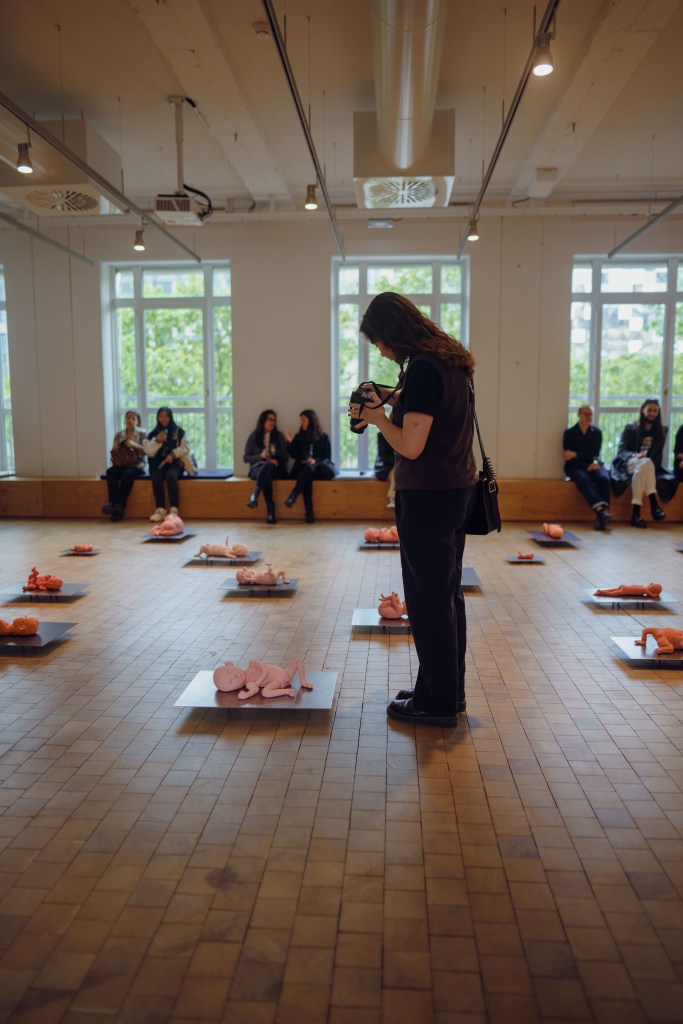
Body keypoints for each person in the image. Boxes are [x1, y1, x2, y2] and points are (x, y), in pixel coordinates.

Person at [350, 291, 477, 728]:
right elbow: (430, 414)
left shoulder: (423, 368)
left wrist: (377, 418)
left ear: (391, 332)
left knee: (428, 602)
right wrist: (392, 399)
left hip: (428, 496)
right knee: (446, 597)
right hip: (455, 490)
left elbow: (411, 444)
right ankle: (446, 691)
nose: (380, 351)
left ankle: (436, 703)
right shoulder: (450, 360)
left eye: (378, 342)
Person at [611, 399, 675, 527]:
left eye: (655, 411)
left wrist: (645, 460)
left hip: (646, 466)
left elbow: (657, 456)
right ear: (642, 411)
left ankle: (636, 515)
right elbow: (622, 452)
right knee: (645, 463)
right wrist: (636, 455)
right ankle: (653, 503)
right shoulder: (630, 428)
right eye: (649, 410)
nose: (652, 413)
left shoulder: (662, 431)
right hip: (629, 462)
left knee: (644, 466)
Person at [563, 405, 612, 530]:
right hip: (575, 466)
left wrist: (578, 455)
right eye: (586, 414)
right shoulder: (569, 433)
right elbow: (568, 456)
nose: (588, 417)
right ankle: (601, 511)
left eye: (590, 414)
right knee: (584, 479)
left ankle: (601, 515)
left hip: (594, 463)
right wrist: (586, 464)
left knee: (604, 478)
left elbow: (595, 454)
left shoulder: (597, 433)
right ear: (579, 414)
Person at [284, 410, 336, 523]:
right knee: (307, 474)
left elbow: (327, 457)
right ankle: (309, 513)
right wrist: (289, 442)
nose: (301, 422)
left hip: (318, 470)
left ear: (311, 421)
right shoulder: (299, 437)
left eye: (304, 420)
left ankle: (294, 495)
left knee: (309, 470)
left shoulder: (323, 437)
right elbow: (293, 455)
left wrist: (315, 460)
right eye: (301, 420)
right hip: (301, 469)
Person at [144, 407, 190, 522]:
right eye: (161, 416)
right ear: (158, 418)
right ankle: (160, 510)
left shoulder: (179, 432)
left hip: (175, 464)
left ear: (171, 417)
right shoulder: (153, 434)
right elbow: (149, 452)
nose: (164, 419)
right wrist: (157, 441)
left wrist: (173, 454)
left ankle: (174, 510)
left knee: (171, 476)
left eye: (166, 416)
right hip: (158, 465)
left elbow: (185, 448)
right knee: (156, 477)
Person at [243, 409, 288, 524]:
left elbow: (285, 457)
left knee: (267, 468)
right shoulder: (254, 436)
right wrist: (260, 456)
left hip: (274, 469)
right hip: (256, 469)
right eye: (270, 420)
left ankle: (255, 495)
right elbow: (246, 458)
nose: (273, 422)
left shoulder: (278, 436)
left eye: (274, 420)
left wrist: (275, 459)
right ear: (263, 421)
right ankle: (270, 513)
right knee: (265, 473)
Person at [102, 410, 147, 521]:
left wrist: (135, 445)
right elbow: (113, 451)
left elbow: (147, 451)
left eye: (133, 418)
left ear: (137, 421)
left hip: (137, 465)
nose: (130, 420)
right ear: (125, 420)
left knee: (128, 474)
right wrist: (115, 448)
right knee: (110, 472)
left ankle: (117, 506)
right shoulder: (119, 435)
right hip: (121, 463)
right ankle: (116, 505)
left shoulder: (143, 433)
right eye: (128, 418)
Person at [374, 431, 396, 508]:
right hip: (384, 467)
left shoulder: (404, 434)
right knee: (396, 473)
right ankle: (392, 498)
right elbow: (383, 456)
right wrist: (400, 460)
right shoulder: (381, 435)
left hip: (397, 466)